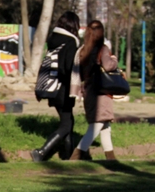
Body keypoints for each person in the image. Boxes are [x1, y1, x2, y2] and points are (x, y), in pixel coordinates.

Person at [31, 11, 80, 161]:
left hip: (52, 87)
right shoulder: (71, 42)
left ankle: (68, 156)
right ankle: (41, 152)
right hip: (63, 89)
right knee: (66, 124)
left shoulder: (54, 39)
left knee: (68, 121)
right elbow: (67, 67)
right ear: (73, 25)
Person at [73, 20, 119, 161]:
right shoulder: (102, 48)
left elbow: (78, 71)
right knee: (97, 123)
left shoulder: (82, 50)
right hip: (101, 91)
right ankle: (77, 154)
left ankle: (111, 158)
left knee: (105, 125)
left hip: (88, 89)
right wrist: (114, 60)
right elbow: (107, 65)